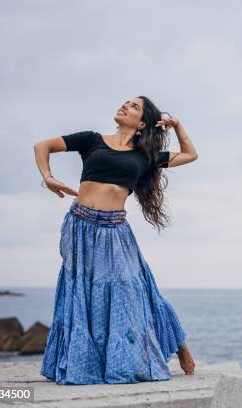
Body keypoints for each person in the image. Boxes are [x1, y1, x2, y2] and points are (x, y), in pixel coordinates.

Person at [33, 96, 198, 384]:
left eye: (134, 107)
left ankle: (178, 344)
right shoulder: (91, 140)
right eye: (125, 103)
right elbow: (41, 146)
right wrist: (48, 177)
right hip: (79, 227)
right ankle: (85, 362)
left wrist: (178, 124)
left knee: (134, 292)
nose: (125, 106)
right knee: (82, 294)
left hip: (115, 231)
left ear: (143, 122)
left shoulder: (145, 156)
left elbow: (190, 154)